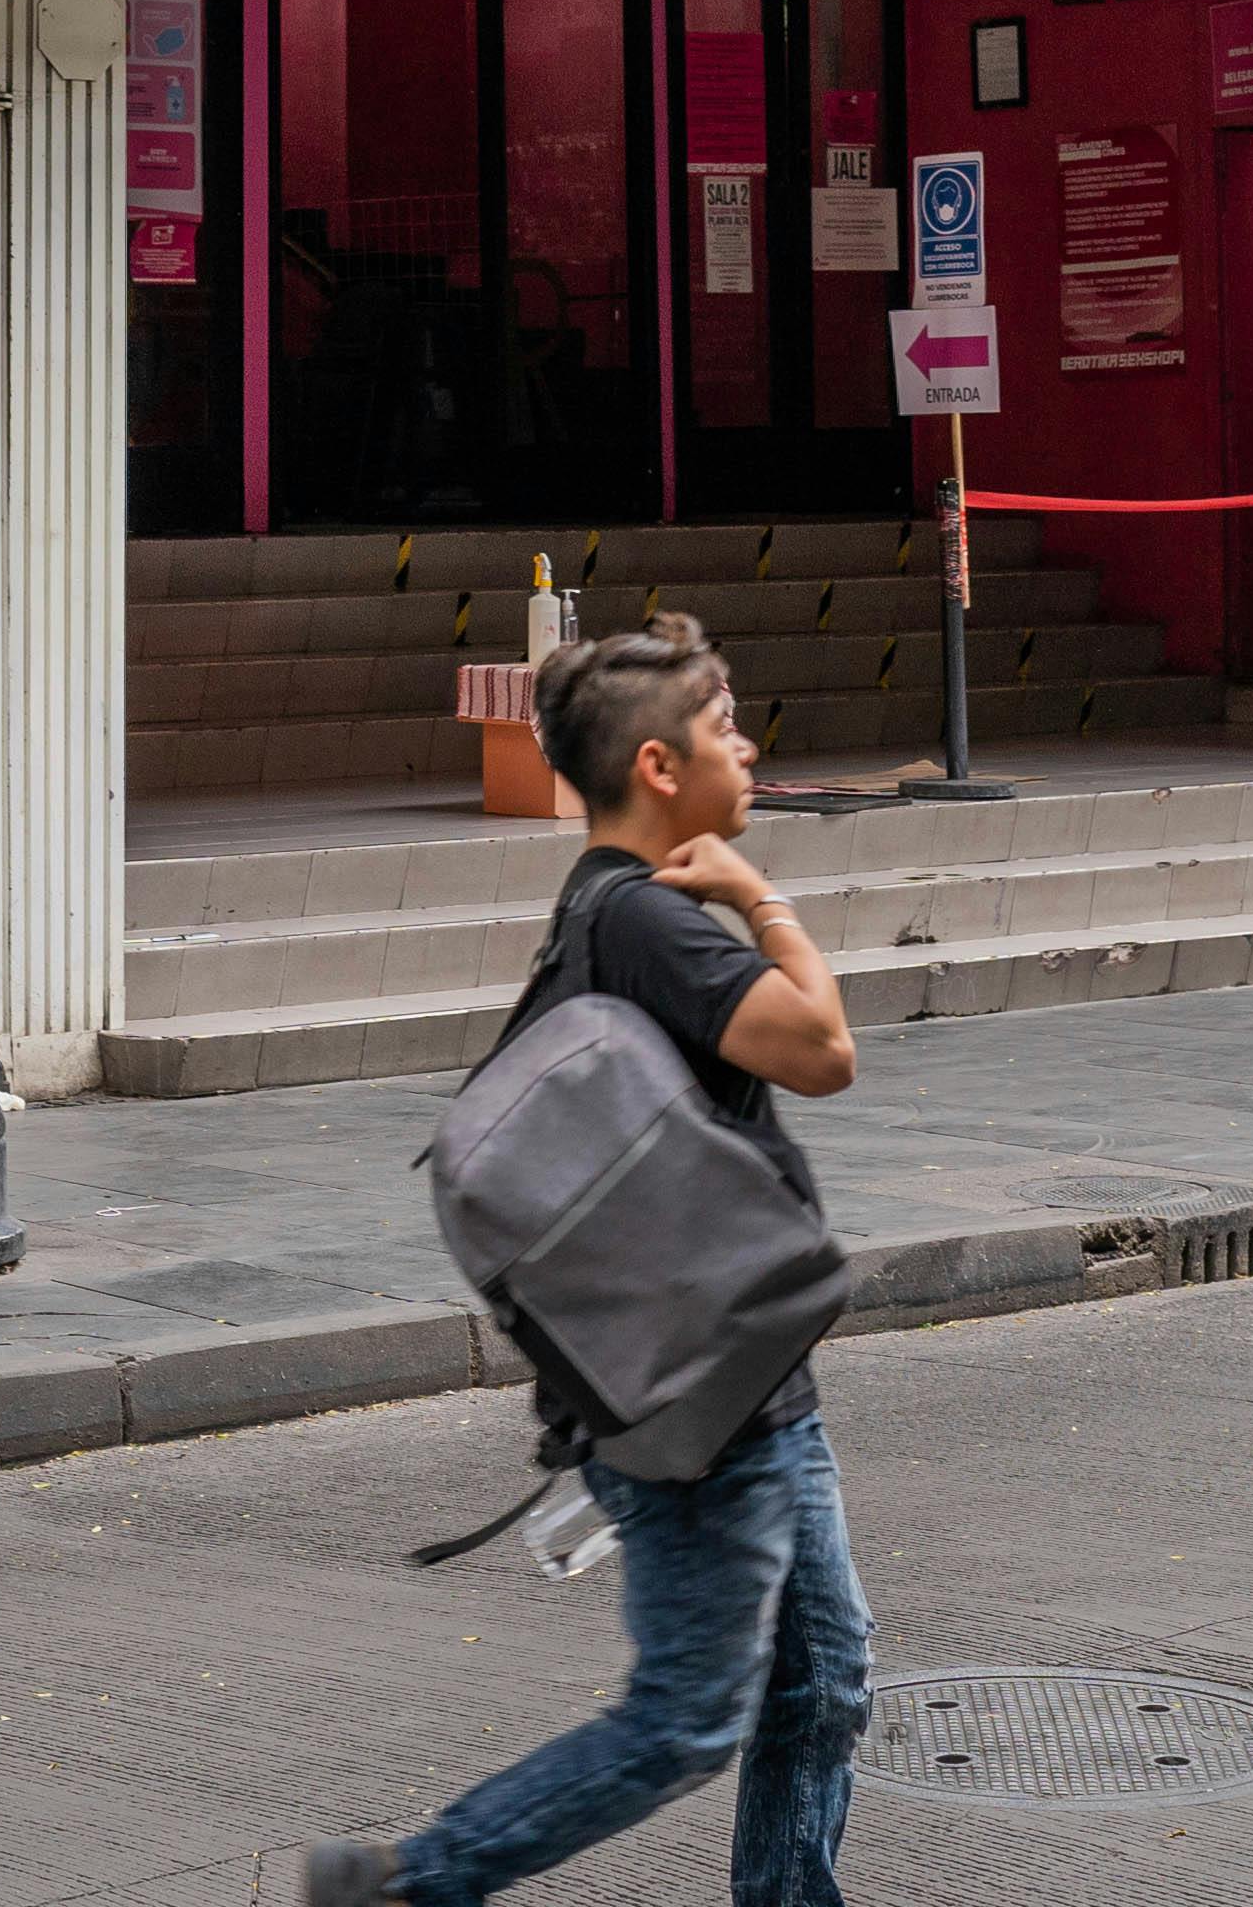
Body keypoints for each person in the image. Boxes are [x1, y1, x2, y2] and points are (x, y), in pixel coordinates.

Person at [288, 618, 867, 1907]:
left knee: (826, 1676)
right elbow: (825, 1048)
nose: (748, 742)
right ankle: (407, 1881)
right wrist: (759, 895)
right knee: (684, 1719)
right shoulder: (665, 921)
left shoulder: (593, 912)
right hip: (704, 1406)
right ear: (659, 767)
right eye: (725, 723)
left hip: (724, 1370)